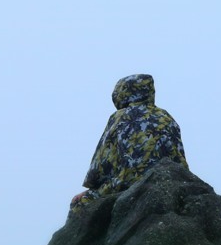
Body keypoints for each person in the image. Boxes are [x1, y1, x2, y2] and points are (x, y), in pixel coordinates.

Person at [69, 74, 189, 216]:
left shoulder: (120, 117)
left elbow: (101, 165)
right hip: (168, 179)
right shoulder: (166, 118)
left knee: (78, 203)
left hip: (126, 183)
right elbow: (179, 157)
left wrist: (94, 187)